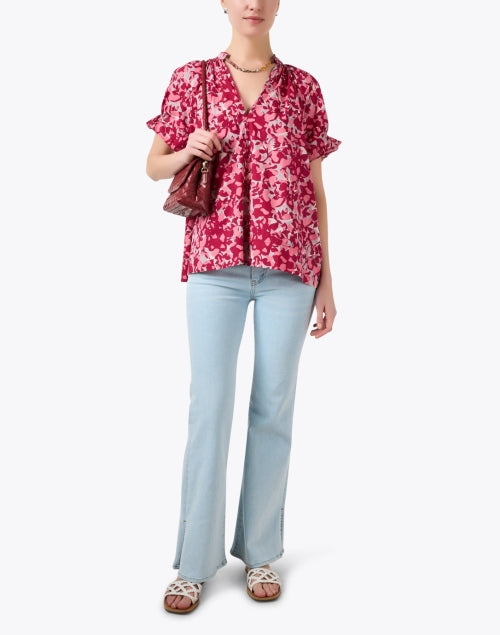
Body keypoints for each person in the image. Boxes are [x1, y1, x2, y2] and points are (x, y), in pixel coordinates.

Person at [146, 0, 341, 614]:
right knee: (209, 407)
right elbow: (152, 167)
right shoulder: (193, 78)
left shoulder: (303, 87)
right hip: (214, 267)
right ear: (224, 3)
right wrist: (188, 149)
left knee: (273, 408)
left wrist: (327, 281)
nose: (252, 3)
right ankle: (194, 563)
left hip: (291, 269)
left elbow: (315, 190)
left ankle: (260, 551)